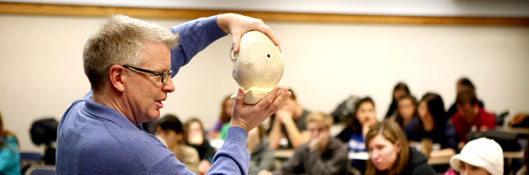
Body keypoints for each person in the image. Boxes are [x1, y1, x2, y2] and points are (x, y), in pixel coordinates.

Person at [56, 13, 291, 175]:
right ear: (118, 77)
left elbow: (167, 52)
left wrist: (223, 22)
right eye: (161, 75)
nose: (170, 85)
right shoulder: (136, 152)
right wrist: (240, 128)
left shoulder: (78, 112)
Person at [280, 112, 349, 175]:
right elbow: (286, 169)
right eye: (312, 130)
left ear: (328, 130)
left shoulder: (339, 150)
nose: (315, 134)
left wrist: (313, 150)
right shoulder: (304, 147)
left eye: (320, 130)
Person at [365, 120, 436, 175]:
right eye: (370, 149)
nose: (374, 156)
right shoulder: (374, 169)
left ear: (397, 146)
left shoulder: (421, 171)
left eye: (380, 147)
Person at [403, 93, 457, 160]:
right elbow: (403, 147)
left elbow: (451, 151)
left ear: (437, 111)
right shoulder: (411, 126)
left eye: (429, 110)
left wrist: (426, 154)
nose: (424, 113)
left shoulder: (446, 127)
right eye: (422, 108)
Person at [336, 97, 377, 173]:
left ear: (374, 113)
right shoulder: (351, 129)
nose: (367, 115)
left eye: (370, 111)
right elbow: (335, 142)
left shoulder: (380, 130)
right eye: (363, 111)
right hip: (351, 169)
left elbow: (373, 150)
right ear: (356, 114)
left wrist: (366, 131)